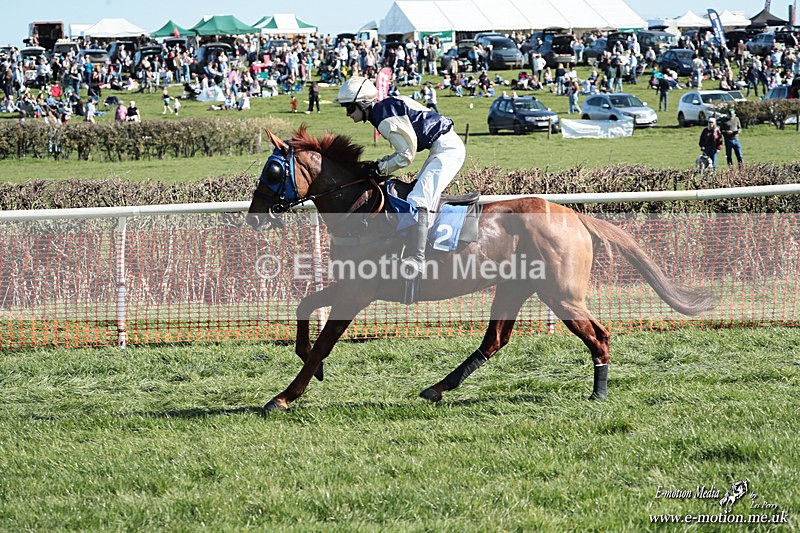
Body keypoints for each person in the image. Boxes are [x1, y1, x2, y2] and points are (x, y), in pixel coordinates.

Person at [334, 76, 466, 304]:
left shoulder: (383, 117)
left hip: (446, 149)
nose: (348, 113)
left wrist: (380, 167)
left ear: (363, 103)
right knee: (416, 193)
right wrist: (381, 165)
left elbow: (406, 155)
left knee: (418, 199)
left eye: (349, 107)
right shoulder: (386, 108)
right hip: (442, 147)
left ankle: (417, 257)